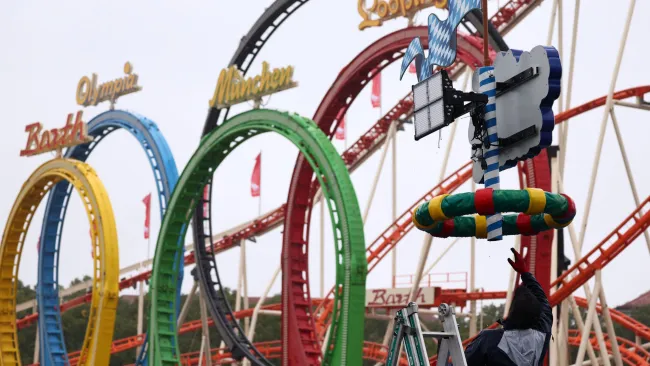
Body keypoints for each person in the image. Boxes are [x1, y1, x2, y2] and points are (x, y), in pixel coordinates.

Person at [464, 248, 552, 365]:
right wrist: (525, 272)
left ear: (512, 311)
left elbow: (463, 362)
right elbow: (543, 300)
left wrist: (524, 272)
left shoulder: (489, 339)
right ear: (536, 313)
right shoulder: (542, 334)